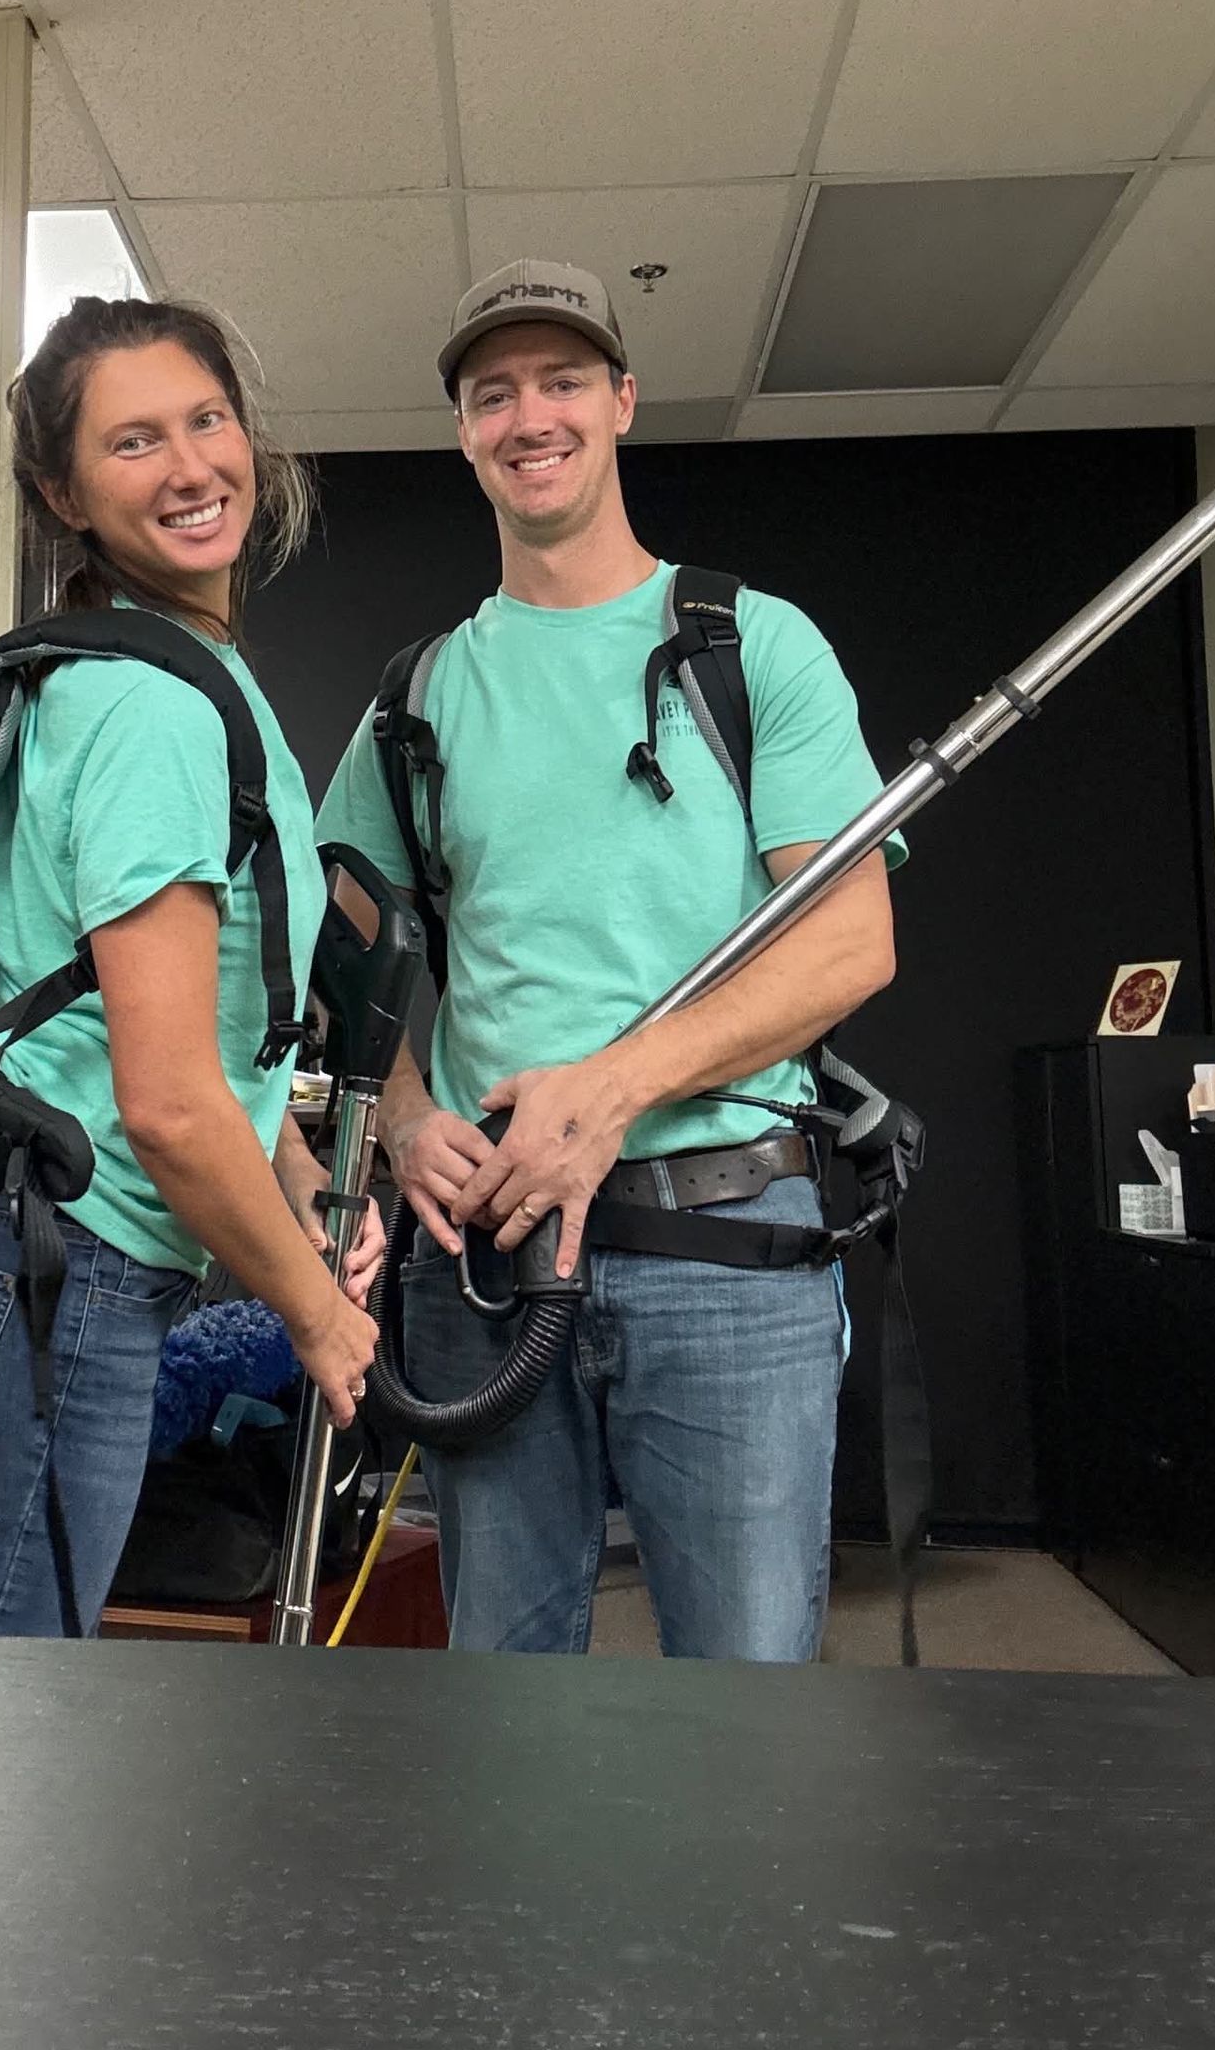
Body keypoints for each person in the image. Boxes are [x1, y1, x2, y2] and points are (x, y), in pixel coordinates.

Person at [316, 259, 900, 1658]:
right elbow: (341, 954)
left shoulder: (750, 646)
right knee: (505, 1704)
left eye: (563, 379)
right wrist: (401, 1121)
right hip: (489, 1268)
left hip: (728, 1249)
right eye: (493, 392)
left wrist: (614, 1090)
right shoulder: (417, 696)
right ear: (463, 431)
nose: (532, 415)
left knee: (743, 1705)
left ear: (623, 400)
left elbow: (852, 940)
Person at [0, 296, 379, 1638]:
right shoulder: (158, 710)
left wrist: (298, 1176)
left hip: (40, 1240)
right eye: (135, 441)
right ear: (65, 490)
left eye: (207, 419)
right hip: (62, 1262)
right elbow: (163, 1103)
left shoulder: (155, 670)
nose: (189, 466)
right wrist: (316, 1317)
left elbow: (159, 1018)